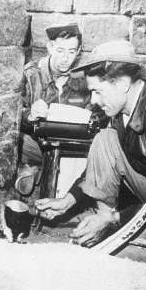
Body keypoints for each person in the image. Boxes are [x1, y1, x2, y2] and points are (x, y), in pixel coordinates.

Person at [35, 40, 146, 247]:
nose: (93, 100)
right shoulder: (119, 112)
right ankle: (100, 224)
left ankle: (110, 224)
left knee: (106, 138)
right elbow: (100, 166)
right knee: (105, 138)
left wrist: (117, 218)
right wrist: (68, 201)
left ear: (122, 84)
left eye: (98, 91)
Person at [16, 23, 90, 194]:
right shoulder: (31, 74)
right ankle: (39, 168)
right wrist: (30, 115)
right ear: (50, 47)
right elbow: (15, 114)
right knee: (17, 141)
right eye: (60, 51)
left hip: (71, 148)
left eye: (72, 52)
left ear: (78, 52)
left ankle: (35, 170)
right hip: (37, 144)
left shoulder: (84, 80)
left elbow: (94, 115)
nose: (66, 58)